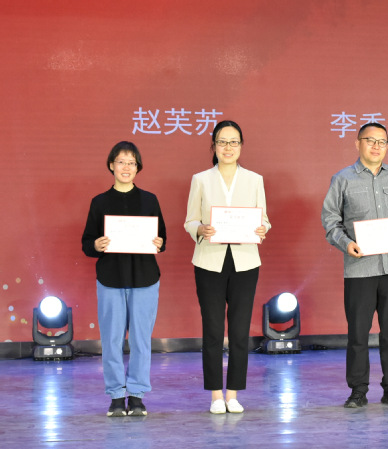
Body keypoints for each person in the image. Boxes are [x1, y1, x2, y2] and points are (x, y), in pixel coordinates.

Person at [321, 122, 388, 408]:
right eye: (370, 140)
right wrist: (345, 244)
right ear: (357, 143)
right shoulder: (342, 179)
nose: (377, 146)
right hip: (359, 268)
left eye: (382, 141)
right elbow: (330, 220)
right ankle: (358, 390)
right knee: (358, 333)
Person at [184, 120, 270, 414]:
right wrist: (200, 229)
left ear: (241, 146)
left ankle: (232, 394)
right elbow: (190, 220)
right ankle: (215, 395)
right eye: (222, 142)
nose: (228, 147)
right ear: (214, 146)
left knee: (239, 330)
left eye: (234, 142)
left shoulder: (254, 179)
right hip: (209, 260)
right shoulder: (201, 179)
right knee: (212, 329)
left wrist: (262, 229)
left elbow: (264, 219)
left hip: (245, 261)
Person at [81, 141, 166, 417]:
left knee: (141, 340)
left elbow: (162, 239)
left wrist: (158, 242)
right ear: (111, 165)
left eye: (131, 162)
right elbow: (87, 243)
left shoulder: (150, 200)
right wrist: (97, 244)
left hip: (145, 278)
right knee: (112, 340)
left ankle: (137, 395)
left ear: (138, 167)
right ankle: (117, 396)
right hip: (111, 279)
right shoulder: (99, 202)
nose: (126, 167)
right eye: (121, 162)